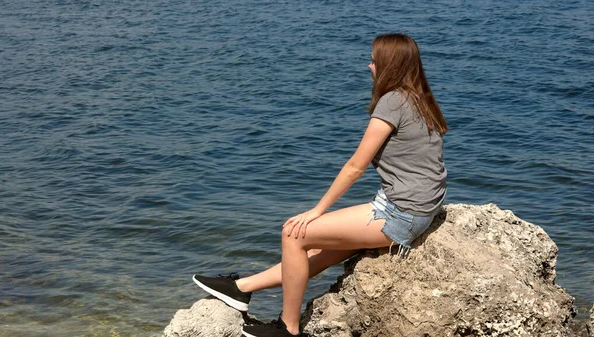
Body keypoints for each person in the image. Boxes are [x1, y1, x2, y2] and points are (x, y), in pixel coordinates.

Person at [192, 33, 448, 337]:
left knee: (293, 234)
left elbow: (355, 166)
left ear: (389, 65)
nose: (369, 66)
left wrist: (317, 210)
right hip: (414, 210)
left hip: (400, 215)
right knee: (320, 248)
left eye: (374, 60)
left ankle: (288, 328)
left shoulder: (393, 101)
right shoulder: (418, 98)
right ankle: (241, 289)